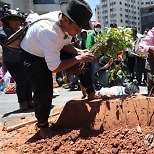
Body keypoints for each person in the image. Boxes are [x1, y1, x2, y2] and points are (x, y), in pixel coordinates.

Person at [20, 0, 100, 138]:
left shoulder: (64, 22)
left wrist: (79, 53)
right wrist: (78, 57)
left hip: (50, 48)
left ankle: (90, 91)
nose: (78, 33)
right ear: (64, 20)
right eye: (77, 29)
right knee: (44, 90)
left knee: (83, 57)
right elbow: (55, 68)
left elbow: (64, 43)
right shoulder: (49, 31)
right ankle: (43, 125)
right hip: (33, 56)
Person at [0, 9, 33, 111]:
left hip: (23, 60)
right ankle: (22, 103)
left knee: (28, 80)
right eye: (14, 19)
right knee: (21, 81)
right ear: (8, 21)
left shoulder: (23, 31)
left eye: (18, 20)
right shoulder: (2, 33)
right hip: (11, 62)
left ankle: (29, 101)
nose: (17, 22)